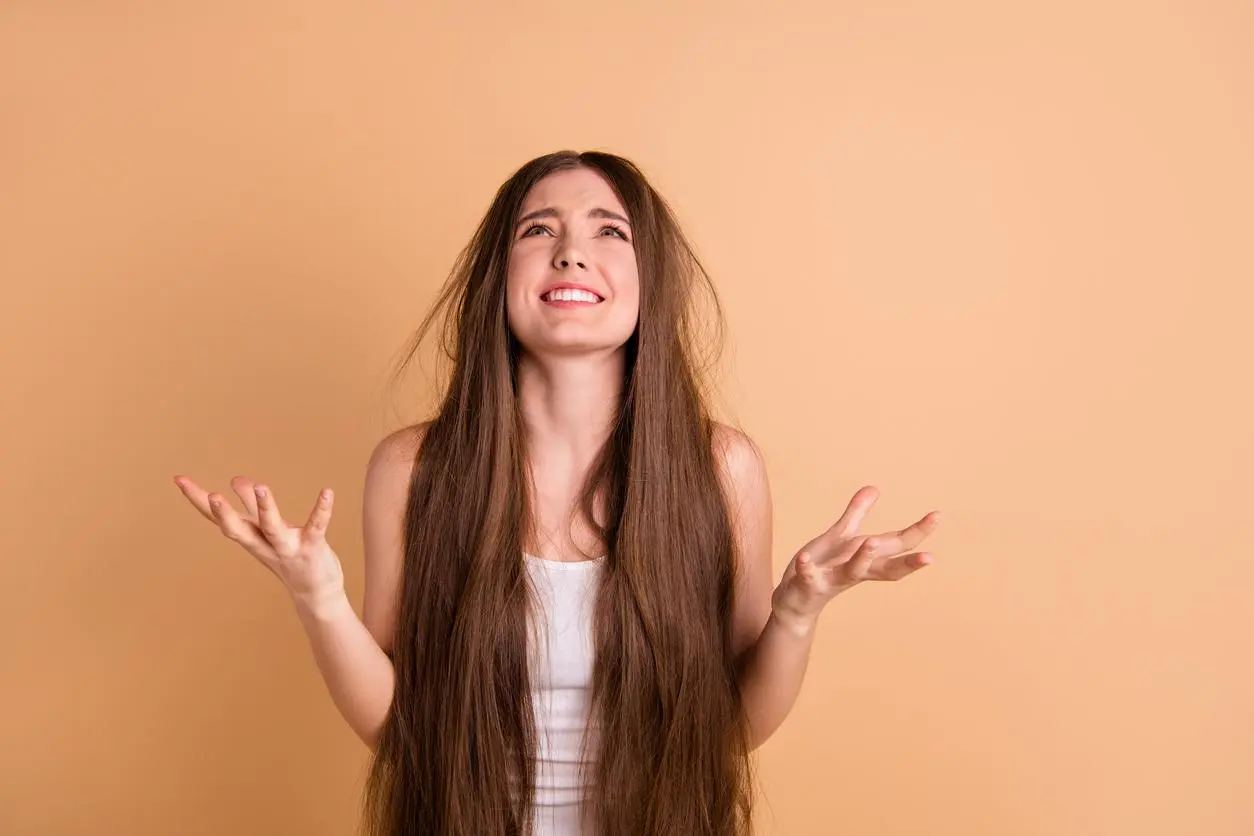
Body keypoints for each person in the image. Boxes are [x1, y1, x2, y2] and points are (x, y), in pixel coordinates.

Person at [174, 149, 940, 836]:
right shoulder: (415, 469)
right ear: (496, 279)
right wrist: (318, 600)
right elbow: (399, 729)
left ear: (651, 282)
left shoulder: (722, 468)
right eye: (538, 231)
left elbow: (730, 730)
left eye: (611, 232)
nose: (572, 253)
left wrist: (799, 613)